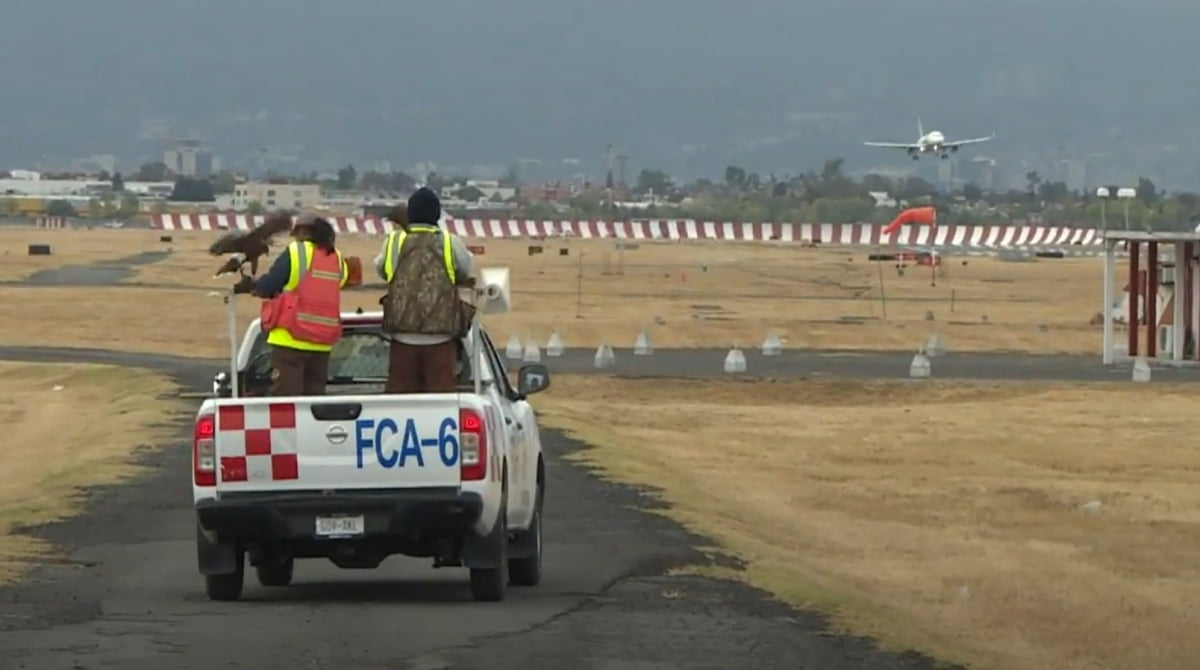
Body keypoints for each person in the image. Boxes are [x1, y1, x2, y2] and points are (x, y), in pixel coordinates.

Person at [234, 212, 350, 396]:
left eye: (296, 233)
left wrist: (253, 285)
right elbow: (337, 284)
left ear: (304, 232)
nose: (295, 237)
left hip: (291, 340)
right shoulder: (337, 258)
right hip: (321, 345)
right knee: (313, 403)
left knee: (287, 403)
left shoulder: (297, 252)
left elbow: (270, 285)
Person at [375, 187, 475, 393]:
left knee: (401, 400)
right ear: (437, 215)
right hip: (441, 338)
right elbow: (464, 270)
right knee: (440, 400)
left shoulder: (394, 241)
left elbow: (382, 268)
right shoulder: (450, 241)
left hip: (402, 337)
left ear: (410, 214)